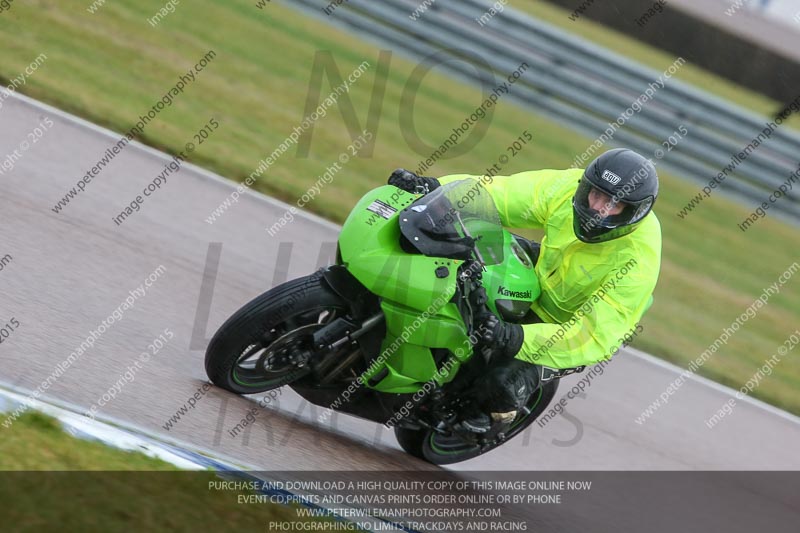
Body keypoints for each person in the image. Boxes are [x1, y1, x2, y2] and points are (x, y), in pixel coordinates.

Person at [388, 148, 662, 433]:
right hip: (540, 276)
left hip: (559, 326)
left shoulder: (638, 262)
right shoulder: (569, 187)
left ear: (632, 212)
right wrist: (435, 188)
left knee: (498, 384)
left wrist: (513, 335)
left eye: (612, 204)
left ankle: (496, 415)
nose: (598, 208)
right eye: (597, 195)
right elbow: (503, 193)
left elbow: (593, 335)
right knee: (464, 244)